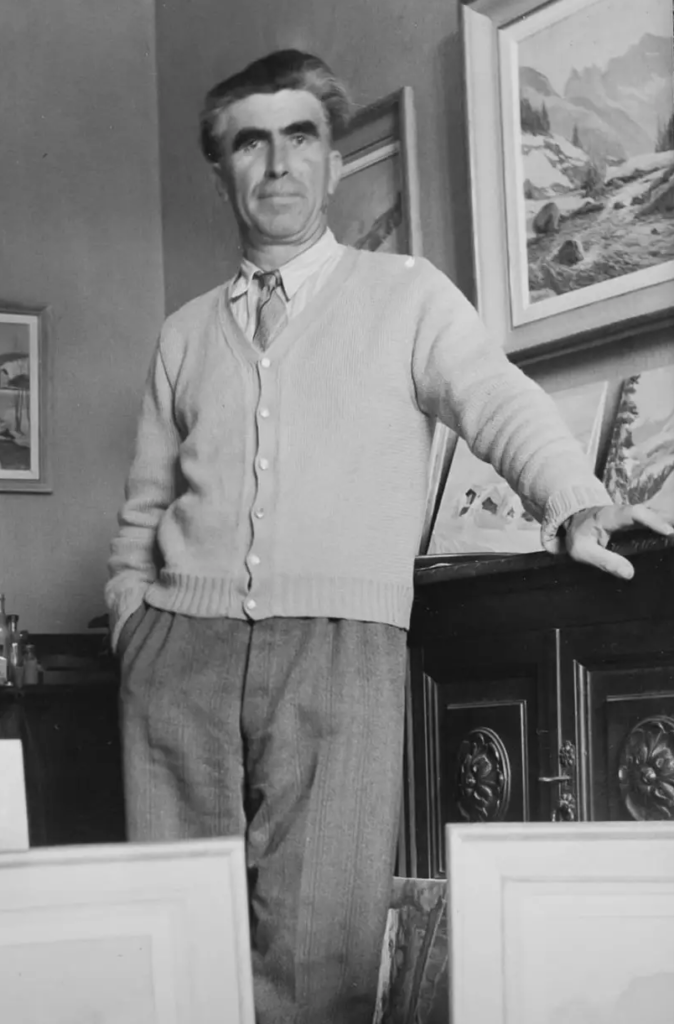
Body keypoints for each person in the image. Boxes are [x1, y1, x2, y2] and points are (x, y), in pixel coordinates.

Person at [105, 49, 672, 1024]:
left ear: (332, 163)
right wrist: (131, 625)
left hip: (340, 650)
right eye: (250, 143)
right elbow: (143, 509)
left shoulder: (406, 294)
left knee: (320, 952)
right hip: (177, 656)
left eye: (300, 137)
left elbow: (493, 398)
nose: (277, 163)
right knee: (178, 944)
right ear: (221, 174)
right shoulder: (183, 334)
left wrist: (574, 499)